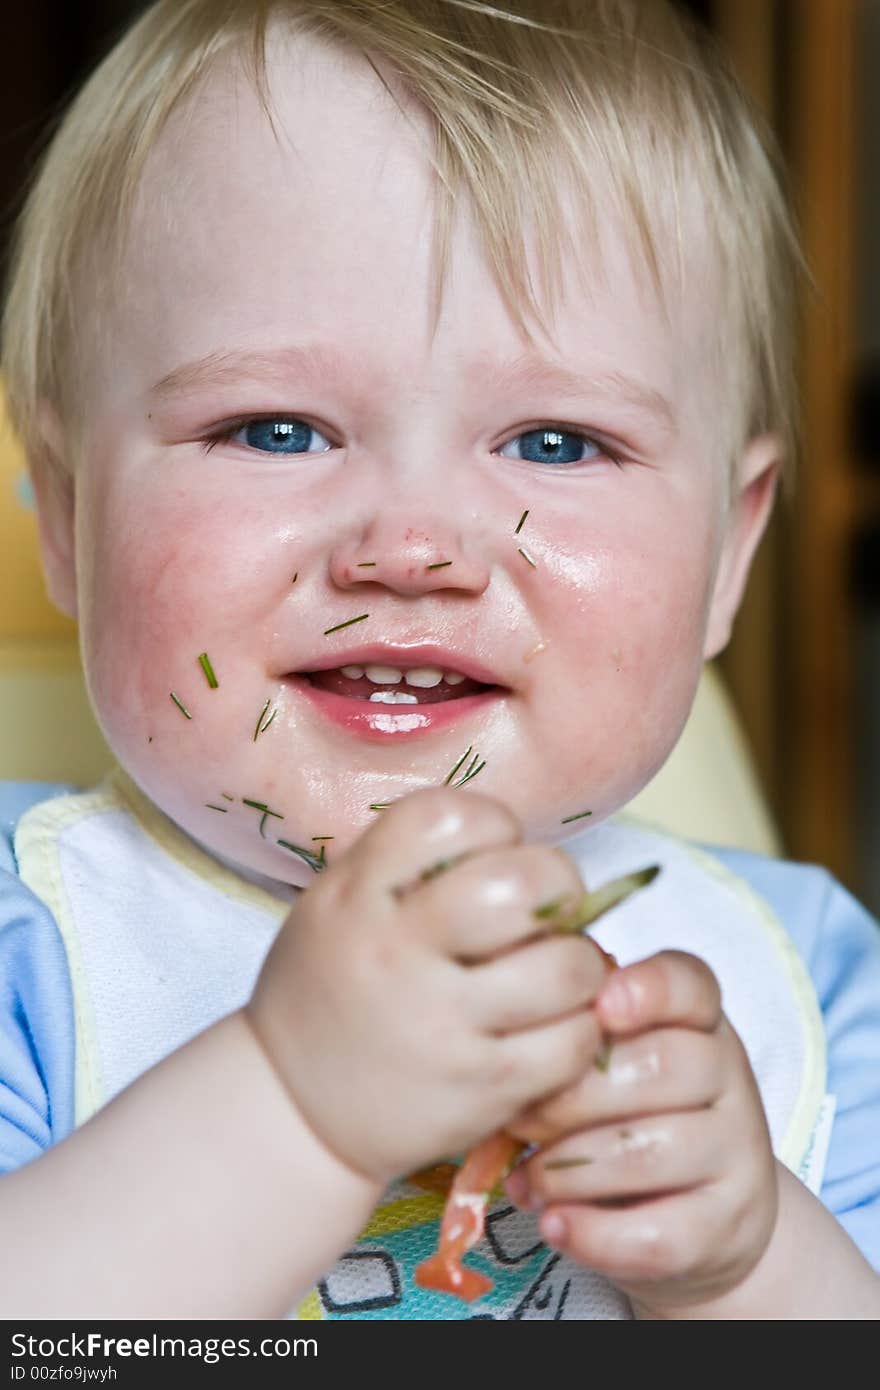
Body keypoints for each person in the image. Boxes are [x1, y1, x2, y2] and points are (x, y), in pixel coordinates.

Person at [0, 0, 877, 1320]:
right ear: (64, 511)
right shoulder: (29, 951)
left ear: (730, 554)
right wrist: (293, 1107)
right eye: (280, 429)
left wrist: (748, 1269)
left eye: (557, 444)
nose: (411, 549)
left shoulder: (805, 979)